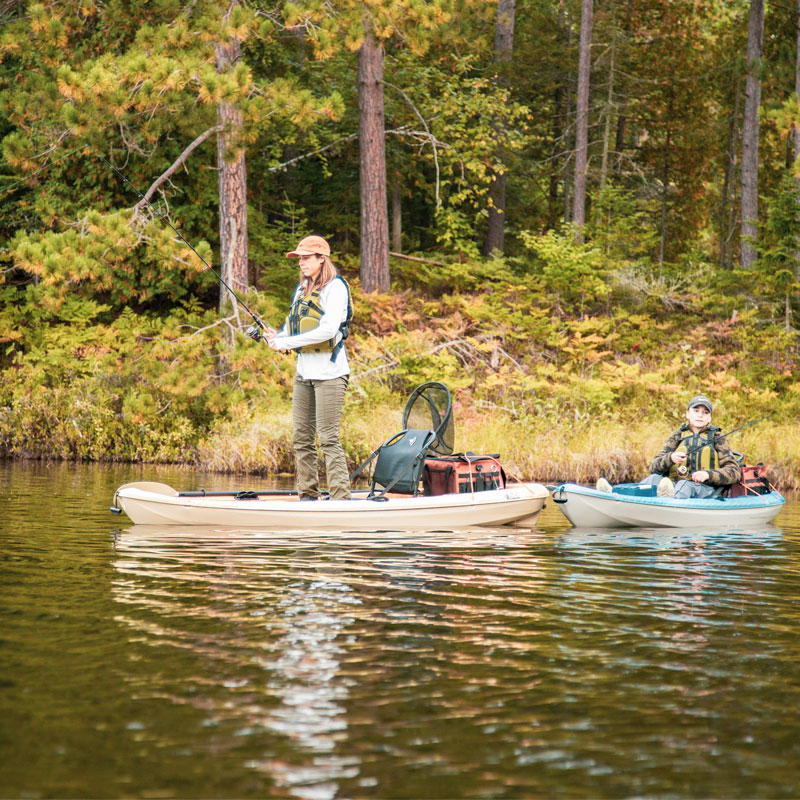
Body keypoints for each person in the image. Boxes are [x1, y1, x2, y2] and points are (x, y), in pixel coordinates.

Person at [248, 235, 353, 500]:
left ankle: (341, 499)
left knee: (328, 438)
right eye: (299, 259)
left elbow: (328, 329)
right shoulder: (301, 290)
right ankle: (307, 496)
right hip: (304, 374)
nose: (301, 263)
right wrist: (278, 337)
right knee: (301, 438)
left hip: (330, 374)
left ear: (321, 258)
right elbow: (294, 328)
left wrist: (289, 341)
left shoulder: (336, 287)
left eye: (306, 258)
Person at [597, 395, 742, 498]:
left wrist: (708, 474)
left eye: (705, 412)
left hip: (705, 490)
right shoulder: (677, 436)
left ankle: (666, 504)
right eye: (696, 411)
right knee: (654, 478)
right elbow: (654, 466)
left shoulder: (718, 439)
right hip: (674, 485)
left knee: (685, 485)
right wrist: (670, 458)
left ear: (709, 418)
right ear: (687, 414)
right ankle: (615, 494)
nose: (700, 415)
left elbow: (734, 472)